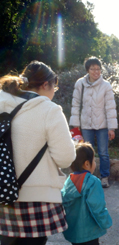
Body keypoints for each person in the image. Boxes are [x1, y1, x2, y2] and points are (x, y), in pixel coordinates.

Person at [0, 61, 76, 245]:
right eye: (54, 87)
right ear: (45, 85)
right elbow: (65, 158)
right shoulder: (49, 110)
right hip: (36, 200)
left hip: (3, 194)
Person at [69, 56, 118, 188]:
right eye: (93, 69)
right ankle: (86, 177)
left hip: (102, 125)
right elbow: (76, 104)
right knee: (85, 152)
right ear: (87, 70)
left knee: (103, 152)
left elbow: (110, 107)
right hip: (85, 124)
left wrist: (111, 128)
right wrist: (76, 124)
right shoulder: (80, 83)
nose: (96, 72)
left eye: (98, 69)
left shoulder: (106, 85)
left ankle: (104, 177)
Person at [61, 142, 112, 245]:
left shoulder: (68, 182)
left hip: (74, 233)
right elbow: (97, 207)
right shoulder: (92, 182)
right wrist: (106, 222)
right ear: (87, 164)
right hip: (89, 233)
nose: (95, 163)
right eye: (93, 160)